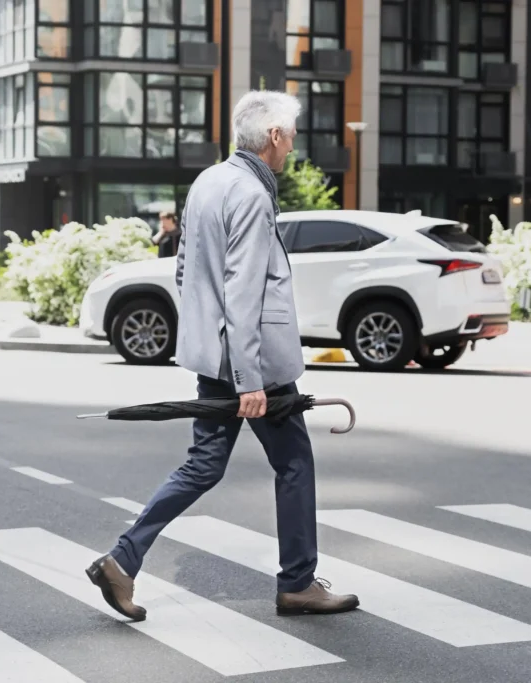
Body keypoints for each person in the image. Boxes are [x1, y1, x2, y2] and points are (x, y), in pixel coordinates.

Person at [85, 90, 360, 621]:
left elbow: (187, 272)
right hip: (252, 365)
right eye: (292, 135)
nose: (293, 145)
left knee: (203, 465)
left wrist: (211, 346)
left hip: (217, 357)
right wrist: (250, 378)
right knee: (295, 464)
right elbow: (244, 290)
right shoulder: (253, 195)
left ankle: (122, 560)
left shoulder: (209, 182)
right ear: (275, 136)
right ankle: (298, 583)